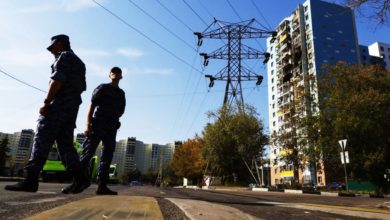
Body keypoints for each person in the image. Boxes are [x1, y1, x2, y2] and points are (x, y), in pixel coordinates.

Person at [5, 34, 89, 194]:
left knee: (42, 138)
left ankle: (31, 180)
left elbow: (57, 80)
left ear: (61, 43)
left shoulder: (64, 56)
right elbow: (81, 87)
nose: (51, 51)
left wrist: (46, 102)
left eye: (53, 47)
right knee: (65, 146)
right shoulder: (80, 63)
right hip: (71, 110)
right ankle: (81, 178)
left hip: (57, 106)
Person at [79, 67, 126, 195]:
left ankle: (102, 186)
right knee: (87, 154)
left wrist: (112, 117)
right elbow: (92, 107)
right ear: (109, 75)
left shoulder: (121, 94)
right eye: (113, 72)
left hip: (111, 128)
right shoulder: (102, 88)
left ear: (121, 76)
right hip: (97, 125)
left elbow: (121, 111)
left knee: (107, 156)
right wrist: (87, 125)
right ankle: (78, 182)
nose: (115, 74)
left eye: (118, 73)